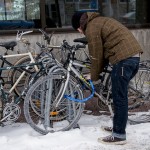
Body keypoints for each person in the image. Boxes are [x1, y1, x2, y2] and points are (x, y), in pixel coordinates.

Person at [71, 11, 143, 145]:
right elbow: (103, 55)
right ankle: (118, 127)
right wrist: (96, 74)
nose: (81, 33)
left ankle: (119, 135)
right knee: (117, 96)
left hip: (124, 59)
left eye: (78, 30)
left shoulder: (92, 28)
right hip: (130, 57)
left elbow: (96, 56)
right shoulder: (98, 21)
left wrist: (95, 78)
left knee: (119, 98)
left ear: (80, 26)